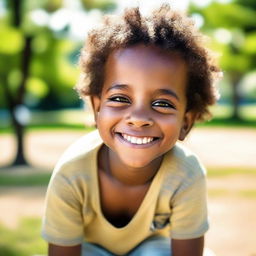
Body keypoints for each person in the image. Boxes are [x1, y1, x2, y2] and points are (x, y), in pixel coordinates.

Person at [41, 4, 221, 256]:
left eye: (162, 104)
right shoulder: (71, 173)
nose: (138, 119)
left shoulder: (186, 174)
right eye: (120, 98)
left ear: (186, 122)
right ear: (96, 108)